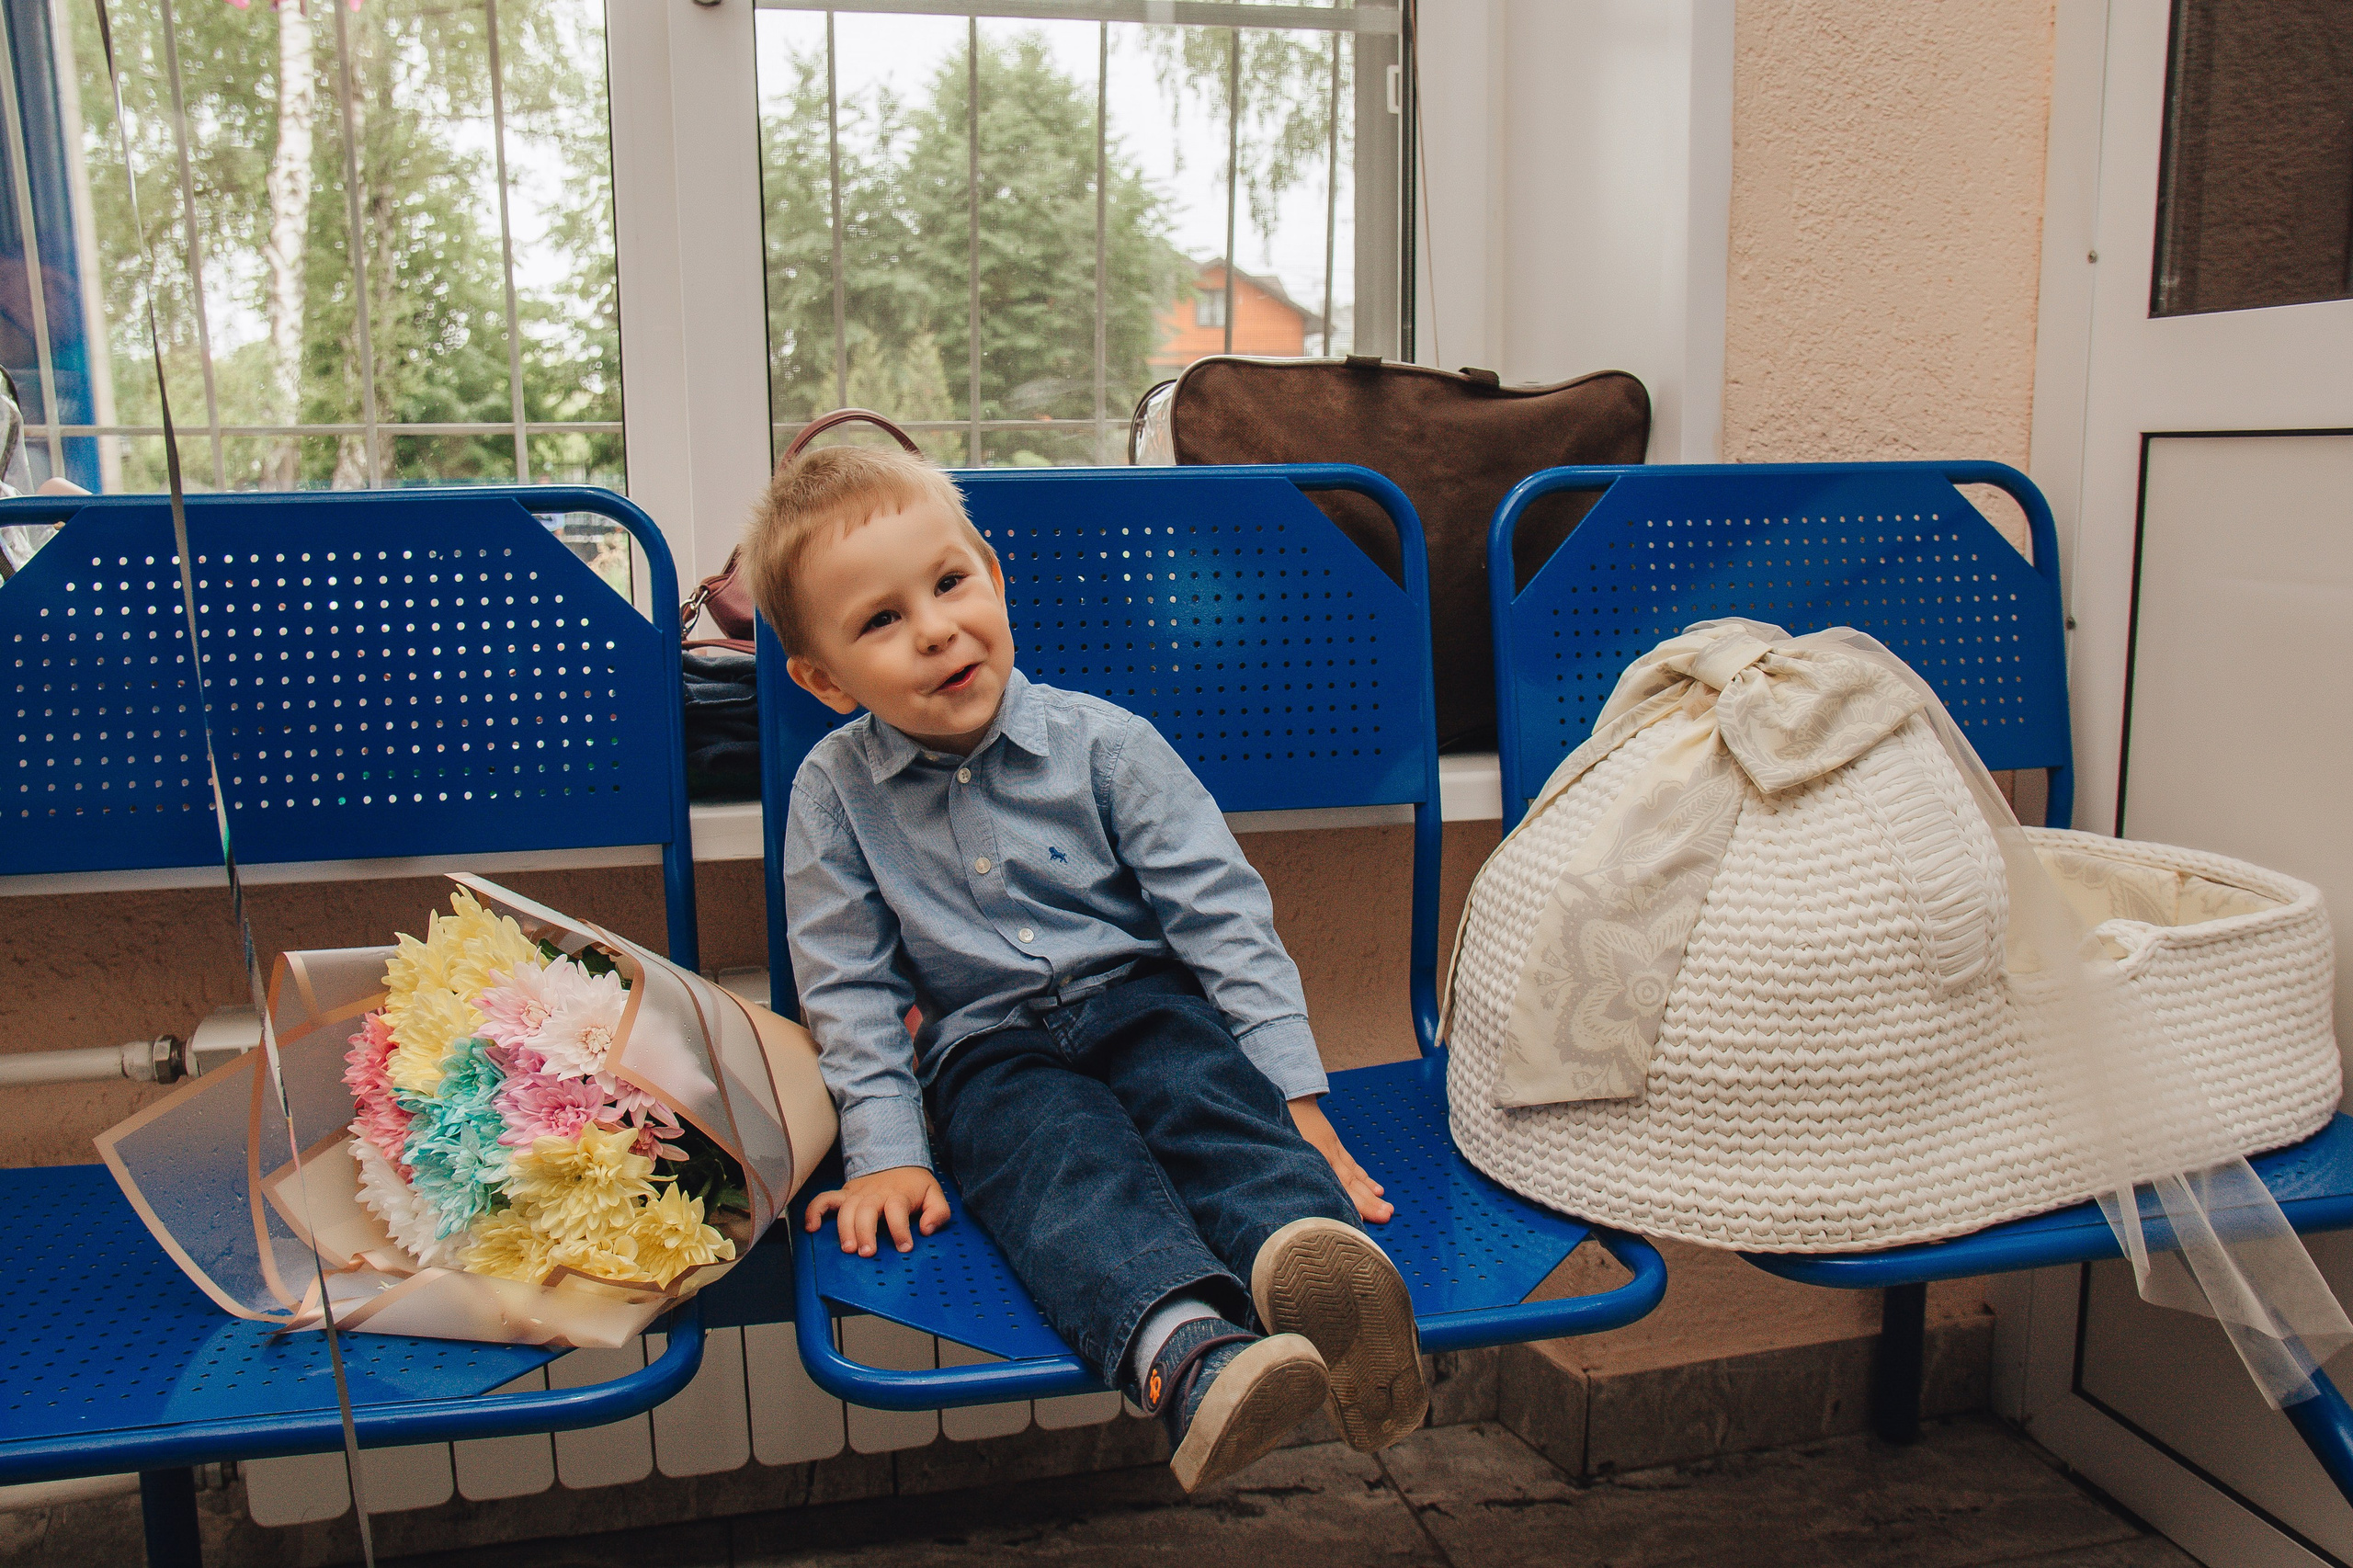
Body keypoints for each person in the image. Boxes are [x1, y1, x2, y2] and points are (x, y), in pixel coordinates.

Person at [747, 437, 1427, 1493]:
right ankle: (1191, 1358)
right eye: (882, 620)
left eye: (949, 582)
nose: (935, 629)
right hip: (989, 1050)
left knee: (1214, 1105)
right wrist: (886, 1150)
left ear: (993, 576)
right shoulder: (831, 793)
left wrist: (1290, 1090)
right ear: (824, 678)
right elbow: (847, 986)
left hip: (1144, 1000)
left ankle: (1314, 1271)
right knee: (1057, 1167)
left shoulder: (1106, 744)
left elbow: (1221, 919)